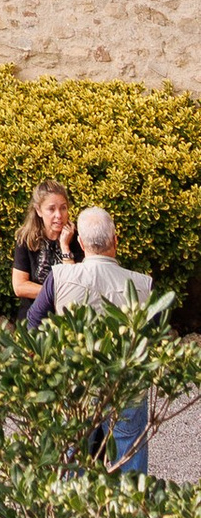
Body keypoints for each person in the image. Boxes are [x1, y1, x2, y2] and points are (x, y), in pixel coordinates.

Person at [50, 204, 155, 478]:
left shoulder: (60, 277)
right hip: (126, 382)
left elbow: (35, 322)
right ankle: (130, 505)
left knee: (72, 459)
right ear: (115, 240)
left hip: (78, 382)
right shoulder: (143, 284)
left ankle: (71, 504)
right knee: (129, 455)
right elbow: (153, 335)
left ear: (81, 243)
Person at [12, 182, 82, 330]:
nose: (59, 215)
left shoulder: (78, 240)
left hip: (67, 320)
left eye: (63, 208)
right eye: (51, 209)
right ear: (39, 210)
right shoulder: (26, 239)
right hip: (33, 320)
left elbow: (74, 285)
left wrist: (65, 246)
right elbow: (19, 287)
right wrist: (55, 293)